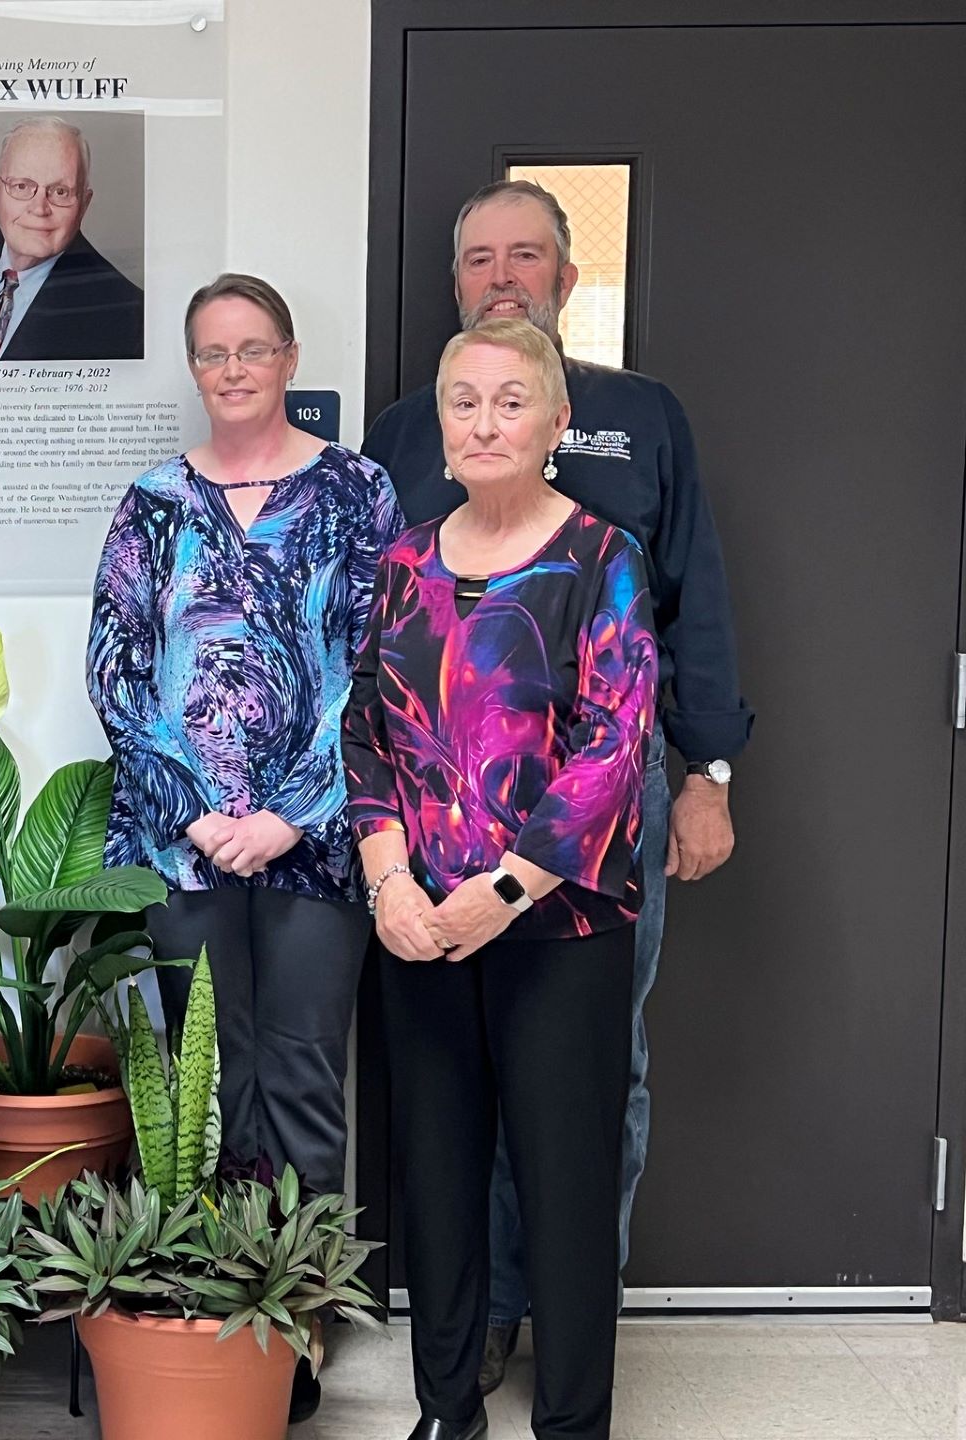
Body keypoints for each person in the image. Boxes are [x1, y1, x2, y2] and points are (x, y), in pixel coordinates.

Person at [362, 178, 751, 1390]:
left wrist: (710, 771)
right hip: (430, 837)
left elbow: (696, 607)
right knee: (455, 1096)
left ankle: (569, 1309)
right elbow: (372, 671)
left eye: (527, 253)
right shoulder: (402, 435)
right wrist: (387, 864)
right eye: (481, 258)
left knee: (587, 1081)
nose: (503, 273)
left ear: (568, 279)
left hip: (591, 821)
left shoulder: (639, 418)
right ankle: (477, 1326)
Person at [86, 273, 398, 1425]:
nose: (231, 370)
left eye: (251, 350)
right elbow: (116, 670)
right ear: (194, 364)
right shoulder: (151, 500)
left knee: (305, 1076)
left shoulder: (360, 489)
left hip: (317, 845)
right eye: (211, 352)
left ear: (287, 355)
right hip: (183, 844)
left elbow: (376, 663)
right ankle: (221, 1302)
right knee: (210, 1084)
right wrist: (199, 808)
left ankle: (300, 1324)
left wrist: (292, 811)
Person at [347, 318, 657, 1440]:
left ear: (556, 421)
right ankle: (445, 1413)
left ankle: (571, 1424)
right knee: (434, 1183)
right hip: (421, 929)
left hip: (557, 934)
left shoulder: (604, 560)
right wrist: (391, 884)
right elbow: (367, 735)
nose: (485, 422)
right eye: (463, 402)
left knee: (564, 1194)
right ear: (441, 422)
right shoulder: (404, 563)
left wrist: (508, 889)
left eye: (510, 401)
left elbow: (611, 752)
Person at [0, 115, 143, 361]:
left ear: (84, 204)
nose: (39, 209)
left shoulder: (126, 314)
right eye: (21, 187)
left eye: (60, 191)